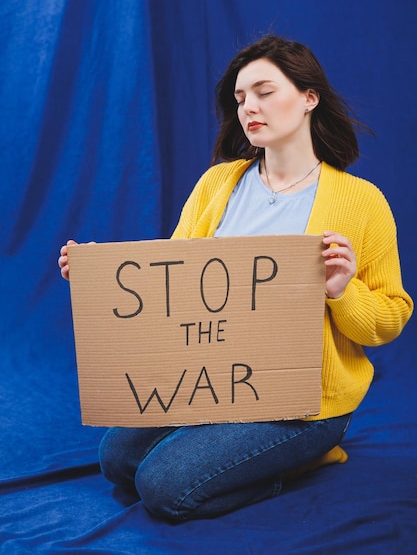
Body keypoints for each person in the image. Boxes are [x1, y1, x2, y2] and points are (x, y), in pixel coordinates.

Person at [59, 34, 413, 522]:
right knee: (116, 459)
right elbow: (172, 281)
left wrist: (340, 291)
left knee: (162, 488)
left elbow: (391, 317)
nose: (249, 107)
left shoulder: (362, 202)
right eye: (240, 97)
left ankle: (309, 456)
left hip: (305, 404)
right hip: (217, 383)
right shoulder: (217, 185)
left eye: (265, 92)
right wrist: (103, 272)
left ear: (309, 98)